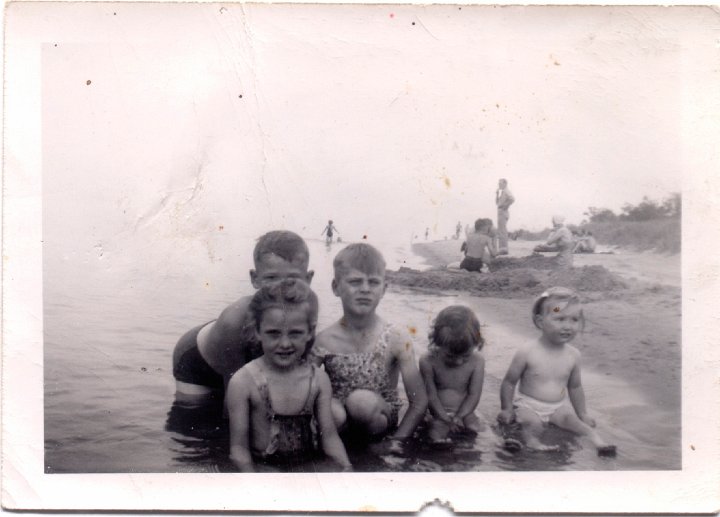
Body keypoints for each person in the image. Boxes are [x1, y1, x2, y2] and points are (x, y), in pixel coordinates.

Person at [226, 280, 352, 472]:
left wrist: (347, 469)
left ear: (310, 332)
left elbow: (329, 437)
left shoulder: (318, 379)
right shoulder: (244, 381)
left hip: (308, 466)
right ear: (258, 332)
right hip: (264, 468)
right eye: (274, 333)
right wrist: (251, 484)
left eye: (295, 333)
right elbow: (238, 449)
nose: (284, 343)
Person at [311, 243, 428, 450]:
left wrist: (397, 442)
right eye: (355, 281)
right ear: (336, 287)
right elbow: (304, 390)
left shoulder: (397, 338)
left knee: (361, 402)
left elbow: (418, 403)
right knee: (329, 409)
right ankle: (339, 453)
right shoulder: (323, 340)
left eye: (373, 282)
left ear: (384, 289)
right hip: (341, 422)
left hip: (378, 418)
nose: (365, 289)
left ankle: (373, 450)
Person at [172, 231, 314, 398]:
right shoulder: (234, 321)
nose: (281, 289)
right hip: (199, 362)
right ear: (255, 278)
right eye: (271, 278)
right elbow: (235, 398)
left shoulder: (307, 314)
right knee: (198, 412)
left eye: (293, 278)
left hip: (240, 359)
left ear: (308, 279)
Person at [497, 287, 616, 456]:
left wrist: (582, 413)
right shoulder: (527, 351)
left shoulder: (574, 355)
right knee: (532, 425)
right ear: (540, 322)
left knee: (577, 423)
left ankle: (598, 442)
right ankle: (533, 443)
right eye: (559, 319)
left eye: (574, 320)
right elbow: (509, 382)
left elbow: (575, 387)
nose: (568, 326)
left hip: (557, 407)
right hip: (528, 404)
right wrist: (507, 408)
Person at [419, 306, 486, 443]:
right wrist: (443, 417)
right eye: (450, 356)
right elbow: (431, 396)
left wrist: (459, 416)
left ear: (476, 343)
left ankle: (501, 443)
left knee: (478, 429)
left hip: (466, 411)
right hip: (437, 412)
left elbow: (474, 395)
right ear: (437, 342)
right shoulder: (427, 361)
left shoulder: (477, 360)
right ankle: (441, 448)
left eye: (465, 356)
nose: (458, 361)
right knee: (436, 431)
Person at [495, 178, 515, 255]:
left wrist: (505, 206)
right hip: (500, 211)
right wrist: (497, 194)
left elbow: (512, 199)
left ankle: (503, 249)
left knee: (502, 231)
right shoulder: (502, 192)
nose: (499, 185)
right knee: (501, 231)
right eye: (498, 183)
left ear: (505, 184)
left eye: (500, 183)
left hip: (503, 212)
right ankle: (503, 249)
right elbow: (497, 203)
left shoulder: (506, 191)